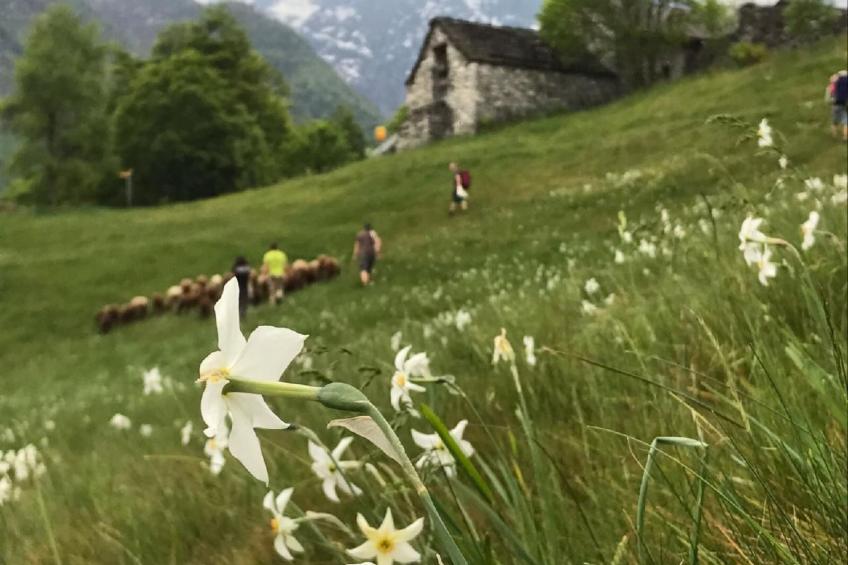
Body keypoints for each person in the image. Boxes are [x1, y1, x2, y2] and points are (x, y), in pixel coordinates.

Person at [829, 70, 848, 141]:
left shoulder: (836, 83)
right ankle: (845, 137)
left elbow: (832, 79)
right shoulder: (845, 83)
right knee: (846, 121)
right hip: (842, 105)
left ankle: (834, 135)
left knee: (834, 122)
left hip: (834, 105)